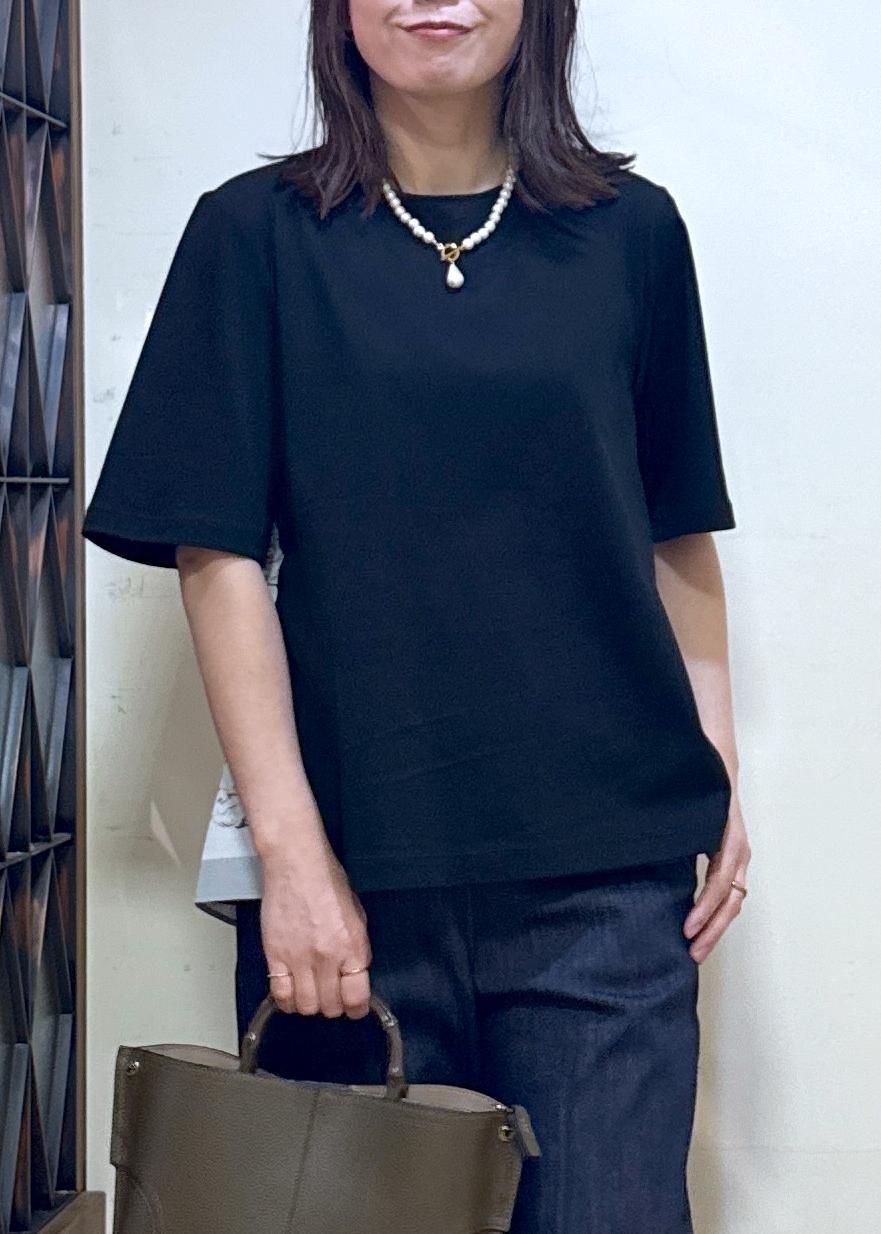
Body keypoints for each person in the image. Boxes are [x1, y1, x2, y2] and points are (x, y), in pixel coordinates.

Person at [81, 3, 752, 1230]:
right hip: (348, 880)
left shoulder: (632, 233)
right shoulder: (253, 235)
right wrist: (293, 862)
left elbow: (673, 527)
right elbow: (214, 557)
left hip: (605, 885)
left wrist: (715, 770)